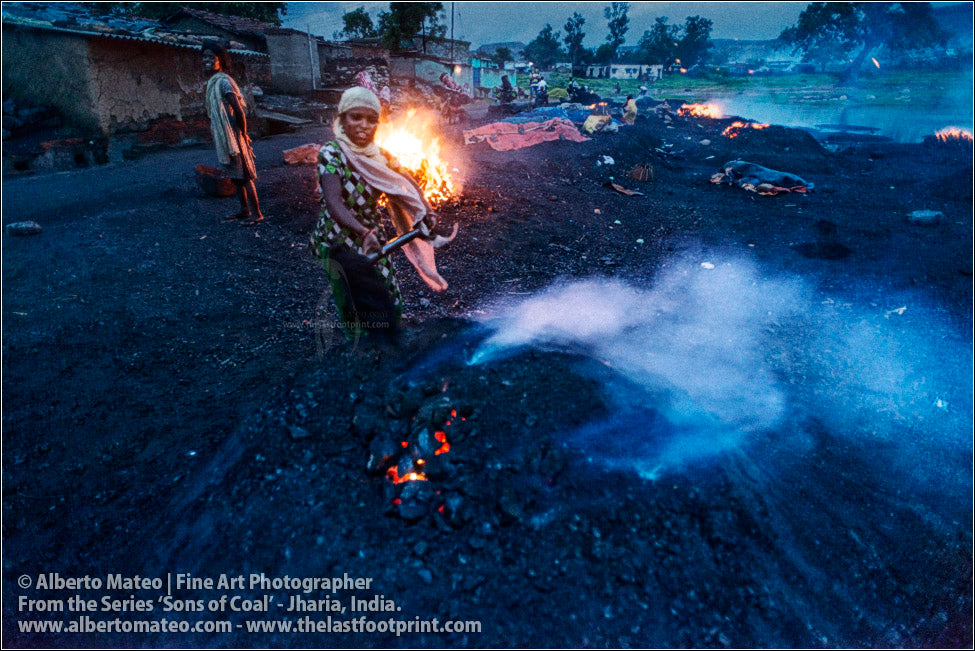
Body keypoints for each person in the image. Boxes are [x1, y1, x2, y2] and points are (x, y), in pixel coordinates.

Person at [310, 87, 453, 339]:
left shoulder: (380, 156)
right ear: (342, 118)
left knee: (390, 295)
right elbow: (334, 203)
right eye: (356, 117)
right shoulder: (332, 153)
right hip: (338, 241)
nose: (364, 125)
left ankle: (387, 342)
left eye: (371, 119)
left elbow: (408, 181)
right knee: (353, 302)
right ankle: (360, 350)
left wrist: (426, 210)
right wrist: (363, 232)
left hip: (373, 237)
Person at [203, 42, 264, 225]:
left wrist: (242, 134)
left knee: (245, 176)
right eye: (204, 57)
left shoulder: (223, 82)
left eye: (210, 57)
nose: (206, 60)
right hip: (226, 137)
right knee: (236, 177)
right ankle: (244, 210)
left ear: (220, 60)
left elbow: (238, 110)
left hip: (234, 136)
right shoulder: (213, 83)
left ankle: (257, 214)